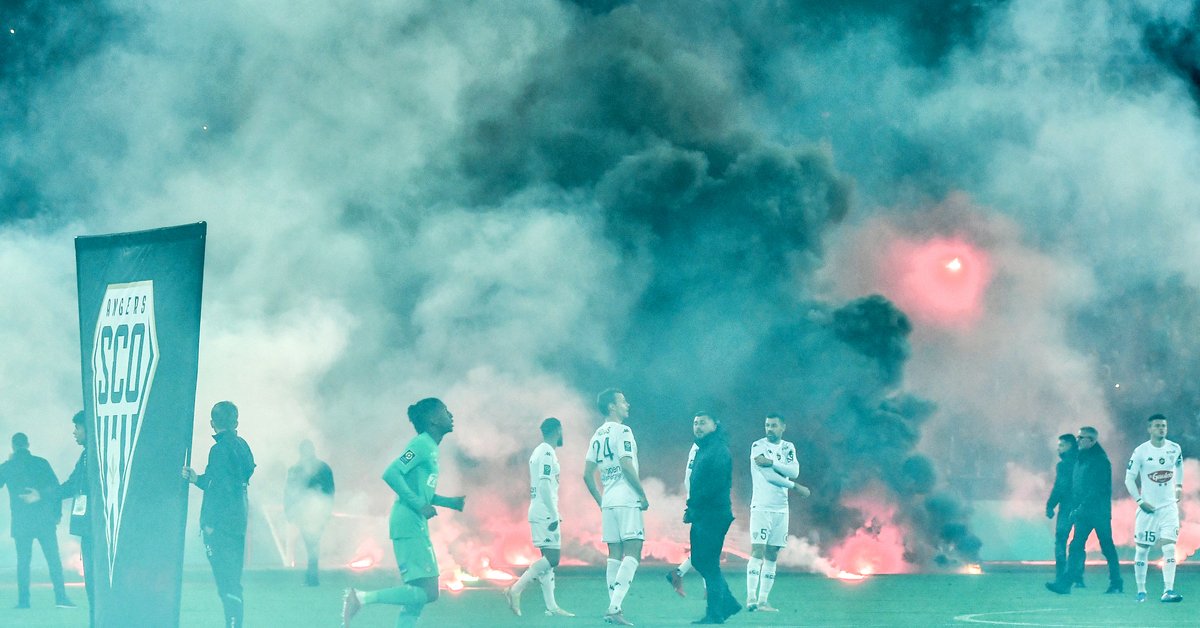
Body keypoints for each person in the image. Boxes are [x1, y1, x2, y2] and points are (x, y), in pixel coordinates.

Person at [342, 398, 465, 627]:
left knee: (416, 596)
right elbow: (391, 473)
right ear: (432, 420)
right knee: (429, 592)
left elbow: (423, 493)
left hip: (413, 522)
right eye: (445, 411)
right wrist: (419, 505)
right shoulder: (421, 445)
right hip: (408, 522)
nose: (451, 415)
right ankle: (361, 597)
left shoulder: (430, 447)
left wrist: (450, 502)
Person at [183, 401, 257, 628]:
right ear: (236, 422)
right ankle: (234, 624)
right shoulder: (243, 445)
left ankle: (233, 624)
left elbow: (218, 488)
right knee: (233, 580)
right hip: (239, 522)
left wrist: (210, 524)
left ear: (212, 423)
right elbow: (234, 478)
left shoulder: (219, 450)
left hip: (221, 528)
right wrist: (198, 479)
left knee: (226, 582)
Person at [583, 388, 648, 627]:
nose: (627, 404)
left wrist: (601, 500)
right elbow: (626, 465)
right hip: (626, 498)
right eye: (622, 401)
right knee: (633, 552)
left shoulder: (597, 435)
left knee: (614, 556)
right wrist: (642, 494)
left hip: (609, 501)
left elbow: (587, 474)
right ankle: (614, 608)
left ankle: (614, 607)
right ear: (612, 406)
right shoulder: (623, 431)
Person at [23, 412, 92, 622]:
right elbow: (70, 486)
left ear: (88, 430)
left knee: (97, 579)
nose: (74, 432)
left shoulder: (98, 456)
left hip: (98, 527)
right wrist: (43, 495)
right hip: (88, 527)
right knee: (91, 580)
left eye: (77, 428)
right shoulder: (86, 456)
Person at [505, 417, 574, 617]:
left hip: (541, 509)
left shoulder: (540, 451)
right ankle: (515, 589)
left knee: (547, 559)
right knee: (553, 559)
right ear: (558, 430)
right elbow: (544, 484)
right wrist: (554, 514)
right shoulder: (546, 452)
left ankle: (551, 606)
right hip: (544, 512)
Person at [1045, 426, 1122, 595]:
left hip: (1098, 512)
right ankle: (1066, 583)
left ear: (1092, 441)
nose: (1077, 440)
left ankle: (1116, 582)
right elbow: (1074, 486)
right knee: (1076, 546)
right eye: (1078, 437)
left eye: (1082, 438)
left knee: (1106, 546)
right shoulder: (1081, 459)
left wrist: (1080, 507)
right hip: (1083, 512)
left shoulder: (1100, 461)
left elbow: (1097, 488)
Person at [0, 432, 72, 610]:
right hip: (44, 520)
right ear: (28, 444)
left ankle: (24, 601)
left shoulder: (8, 466)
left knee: (23, 562)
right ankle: (61, 598)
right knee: (53, 560)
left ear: (13, 446)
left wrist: (7, 464)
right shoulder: (41, 463)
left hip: (21, 522)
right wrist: (57, 515)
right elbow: (55, 489)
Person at [746, 413, 809, 612]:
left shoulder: (788, 447)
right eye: (767, 425)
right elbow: (769, 477)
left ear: (783, 427)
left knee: (773, 554)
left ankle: (764, 601)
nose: (769, 429)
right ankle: (751, 598)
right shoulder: (758, 446)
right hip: (761, 507)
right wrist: (795, 487)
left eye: (773, 425)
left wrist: (773, 463)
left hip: (781, 509)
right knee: (758, 550)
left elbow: (794, 471)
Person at [684, 413, 741, 625]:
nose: (698, 426)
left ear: (715, 425)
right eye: (695, 422)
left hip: (713, 514)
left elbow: (713, 486)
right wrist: (692, 508)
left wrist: (694, 506)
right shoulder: (704, 449)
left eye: (702, 423)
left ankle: (716, 613)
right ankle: (728, 604)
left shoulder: (718, 451)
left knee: (708, 562)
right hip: (703, 513)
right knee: (701, 560)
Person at [1124, 414, 1184, 603]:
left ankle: (1168, 590)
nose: (1161, 429)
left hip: (1168, 508)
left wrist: (1179, 486)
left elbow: (1179, 466)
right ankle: (1141, 591)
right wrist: (1140, 502)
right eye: (1157, 426)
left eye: (1164, 426)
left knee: (1169, 547)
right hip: (1148, 510)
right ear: (1149, 429)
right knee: (1142, 550)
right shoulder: (1141, 451)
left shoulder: (1175, 448)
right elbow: (1129, 479)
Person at [284, 439, 335, 586]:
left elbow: (289, 491)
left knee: (311, 543)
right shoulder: (321, 468)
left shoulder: (302, 469)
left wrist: (289, 510)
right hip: (310, 511)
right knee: (312, 543)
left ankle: (311, 574)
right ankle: (312, 573)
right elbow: (330, 491)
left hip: (312, 511)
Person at [1045, 433, 1083, 588]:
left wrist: (1050, 505)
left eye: (1061, 445)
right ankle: (1078, 578)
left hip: (1067, 506)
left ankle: (1061, 576)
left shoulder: (1063, 465)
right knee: (1079, 542)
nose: (1058, 448)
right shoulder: (1084, 460)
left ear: (1069, 445)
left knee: (1061, 540)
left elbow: (1059, 486)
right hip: (1082, 506)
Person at [666, 440, 699, 598]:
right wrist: (692, 501)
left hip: (709, 501)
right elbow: (689, 476)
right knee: (709, 546)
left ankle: (678, 573)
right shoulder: (699, 447)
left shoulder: (710, 446)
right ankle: (709, 589)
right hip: (703, 502)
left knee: (707, 547)